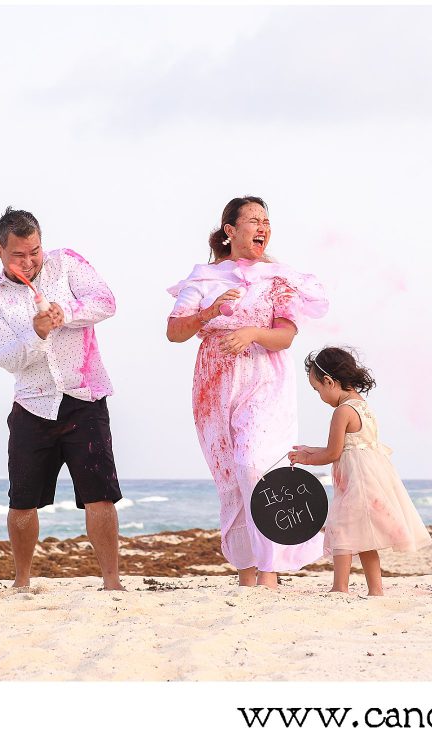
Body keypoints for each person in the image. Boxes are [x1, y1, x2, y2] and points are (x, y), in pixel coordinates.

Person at [166, 196, 329, 588]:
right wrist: (210, 313)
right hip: (214, 384)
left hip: (264, 378)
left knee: (254, 464)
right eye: (254, 220)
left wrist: (253, 333)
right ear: (230, 230)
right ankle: (247, 575)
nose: (262, 227)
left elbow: (286, 335)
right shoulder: (203, 278)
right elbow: (174, 332)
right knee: (231, 478)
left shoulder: (277, 278)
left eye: (266, 221)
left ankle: (270, 571)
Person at [0, 206, 124, 591]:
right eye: (18, 255)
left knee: (100, 495)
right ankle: (22, 582)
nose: (28, 262)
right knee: (22, 504)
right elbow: (7, 358)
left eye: (34, 252)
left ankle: (112, 583)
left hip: (85, 395)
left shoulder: (67, 263)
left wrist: (67, 312)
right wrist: (37, 333)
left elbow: (106, 301)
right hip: (32, 404)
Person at [288, 346, 432, 595]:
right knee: (366, 537)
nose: (319, 395)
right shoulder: (362, 405)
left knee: (342, 529)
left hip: (356, 481)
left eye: (317, 389)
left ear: (329, 381)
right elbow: (348, 446)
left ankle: (339, 587)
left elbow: (334, 453)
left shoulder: (341, 411)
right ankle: (376, 590)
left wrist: (305, 459)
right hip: (370, 477)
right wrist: (310, 449)